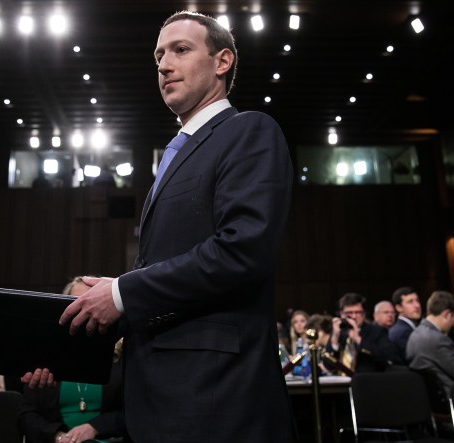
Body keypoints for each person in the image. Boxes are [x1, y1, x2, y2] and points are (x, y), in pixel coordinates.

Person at [59, 11, 294, 441]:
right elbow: (166, 273)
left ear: (222, 61)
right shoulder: (176, 153)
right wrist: (70, 340)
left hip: (215, 397)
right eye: (159, 57)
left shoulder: (248, 130)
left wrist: (123, 292)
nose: (165, 65)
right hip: (159, 398)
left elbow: (242, 251)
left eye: (180, 50)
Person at [18, 339, 129, 443]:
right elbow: (27, 416)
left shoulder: (119, 361)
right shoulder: (43, 363)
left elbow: (131, 412)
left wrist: (95, 427)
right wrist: (57, 435)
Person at [326, 293, 402, 374]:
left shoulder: (377, 331)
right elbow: (328, 365)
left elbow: (389, 357)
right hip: (340, 380)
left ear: (364, 314)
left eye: (358, 312)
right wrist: (334, 340)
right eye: (349, 313)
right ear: (341, 314)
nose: (354, 316)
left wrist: (359, 340)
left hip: (366, 378)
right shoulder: (338, 332)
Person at [388, 286, 422, 361]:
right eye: (410, 302)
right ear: (399, 308)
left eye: (417, 301)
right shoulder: (403, 332)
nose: (417, 305)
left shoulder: (405, 329)